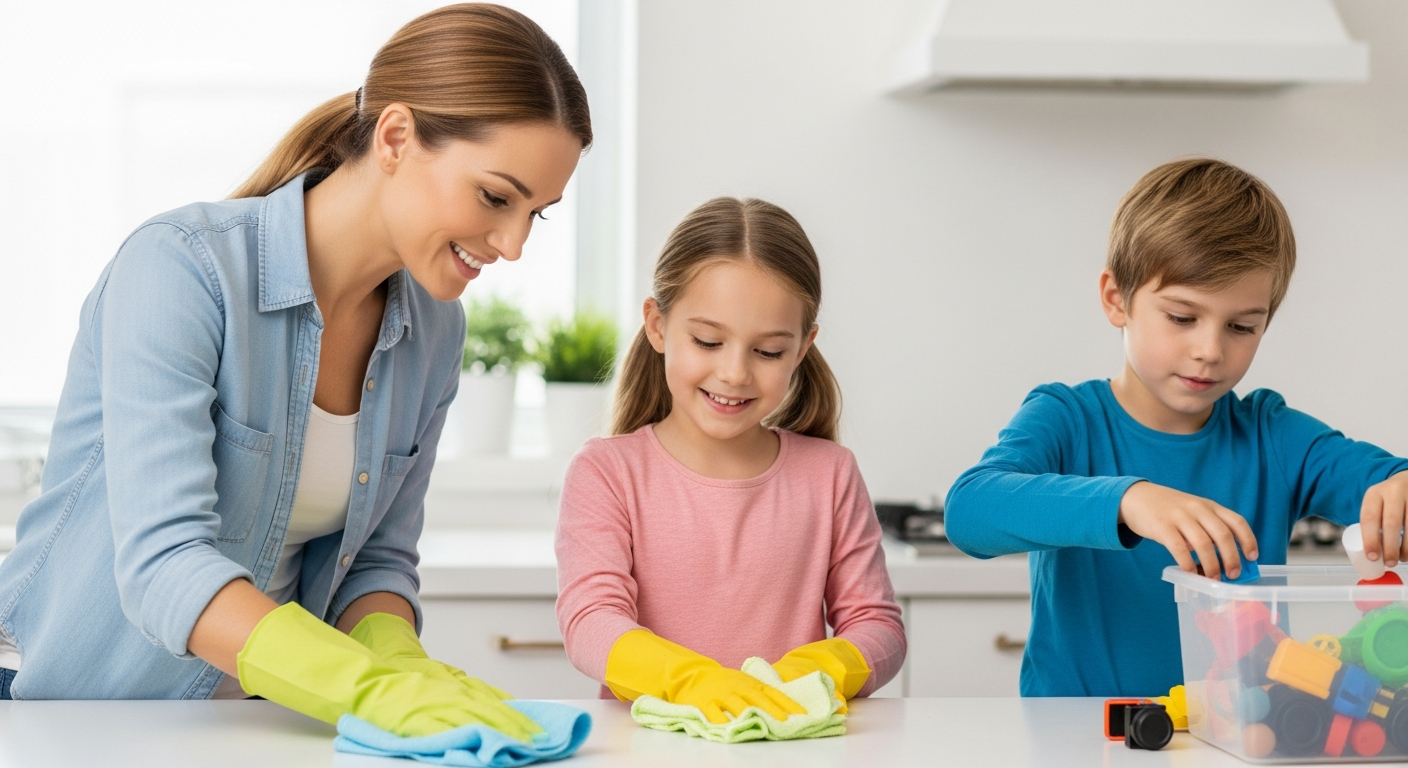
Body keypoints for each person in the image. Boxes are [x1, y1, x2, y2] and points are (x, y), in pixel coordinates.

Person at [0, 3, 589, 740]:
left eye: (537, 213)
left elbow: (375, 563)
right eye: (496, 197)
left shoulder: (435, 330)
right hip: (68, 714)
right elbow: (163, 564)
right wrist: (365, 687)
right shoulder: (183, 269)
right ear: (397, 136)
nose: (512, 243)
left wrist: (402, 667)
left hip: (259, 723)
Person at [944, 158, 1408, 697]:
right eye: (1182, 317)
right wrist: (1130, 500)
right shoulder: (1067, 419)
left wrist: (1399, 491)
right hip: (1077, 739)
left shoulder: (1274, 436)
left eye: (1241, 326)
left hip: (1236, 736)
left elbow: (1388, 484)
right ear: (1117, 299)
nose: (1210, 350)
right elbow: (970, 510)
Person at [554, 197, 906, 724]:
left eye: (768, 352)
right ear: (657, 325)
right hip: (651, 751)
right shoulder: (608, 472)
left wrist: (817, 670)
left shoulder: (829, 473)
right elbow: (590, 622)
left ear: (803, 348)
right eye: (708, 341)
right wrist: (690, 683)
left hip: (788, 744)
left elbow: (877, 626)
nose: (736, 373)